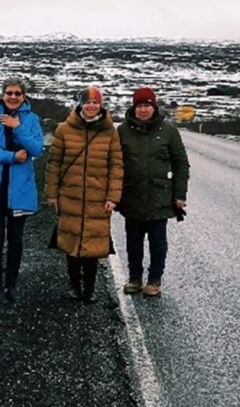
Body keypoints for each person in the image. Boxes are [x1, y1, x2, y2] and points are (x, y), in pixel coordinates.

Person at [45, 86, 123, 303]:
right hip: (70, 195)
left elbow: (116, 166)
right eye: (87, 102)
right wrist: (52, 194)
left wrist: (113, 197)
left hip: (98, 198)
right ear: (80, 104)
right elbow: (54, 164)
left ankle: (89, 289)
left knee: (93, 247)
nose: (91, 106)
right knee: (71, 245)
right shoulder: (64, 130)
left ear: (101, 105)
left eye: (95, 102)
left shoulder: (110, 132)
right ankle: (74, 286)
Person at [117, 87, 190, 297]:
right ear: (134, 107)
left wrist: (180, 194)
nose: (143, 110)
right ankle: (135, 279)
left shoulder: (168, 130)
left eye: (147, 105)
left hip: (160, 196)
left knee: (158, 241)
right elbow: (114, 164)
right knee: (133, 241)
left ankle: (155, 280)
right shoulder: (122, 131)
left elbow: (181, 163)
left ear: (154, 106)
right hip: (132, 195)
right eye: (139, 105)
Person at [0, 77, 44, 304]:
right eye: (9, 93)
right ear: (3, 94)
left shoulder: (32, 119)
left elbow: (37, 149)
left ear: (23, 96)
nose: (13, 97)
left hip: (20, 191)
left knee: (16, 240)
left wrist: (18, 129)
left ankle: (11, 285)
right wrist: (12, 157)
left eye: (18, 93)